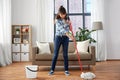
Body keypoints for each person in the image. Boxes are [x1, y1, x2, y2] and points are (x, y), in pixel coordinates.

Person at [48, 6, 74, 76]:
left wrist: (69, 24)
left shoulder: (67, 18)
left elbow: (68, 29)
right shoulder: (57, 20)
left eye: (64, 14)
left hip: (65, 38)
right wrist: (71, 37)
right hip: (58, 37)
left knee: (65, 54)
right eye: (62, 14)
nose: (63, 16)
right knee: (55, 54)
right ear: (59, 14)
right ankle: (52, 70)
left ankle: (66, 70)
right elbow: (62, 29)